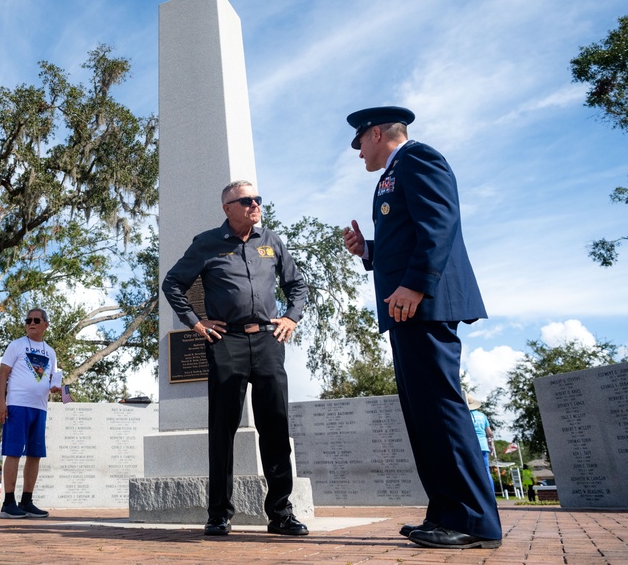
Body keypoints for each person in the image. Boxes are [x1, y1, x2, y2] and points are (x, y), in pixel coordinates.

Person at [341, 107, 502, 550]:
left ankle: (474, 521)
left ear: (376, 134)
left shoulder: (419, 159)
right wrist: (368, 249)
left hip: (423, 305)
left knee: (442, 410)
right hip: (405, 309)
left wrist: (415, 285)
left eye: (360, 145)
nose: (359, 155)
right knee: (424, 415)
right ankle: (447, 512)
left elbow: (439, 223)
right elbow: (409, 235)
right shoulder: (393, 174)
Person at [162, 180, 310, 538]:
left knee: (275, 426)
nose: (254, 205)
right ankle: (218, 514)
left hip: (268, 340)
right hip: (226, 342)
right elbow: (173, 284)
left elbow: (298, 285)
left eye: (257, 199)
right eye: (246, 201)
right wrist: (196, 323)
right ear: (227, 208)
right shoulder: (207, 243)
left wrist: (291, 317)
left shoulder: (271, 241)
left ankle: (280, 513)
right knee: (223, 429)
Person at [0, 308, 61, 519]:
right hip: (17, 405)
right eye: (28, 320)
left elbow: (54, 379)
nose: (31, 323)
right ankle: (8, 502)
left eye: (36, 320)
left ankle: (27, 501)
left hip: (40, 407)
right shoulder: (16, 345)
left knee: (35, 454)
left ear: (45, 325)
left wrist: (60, 390)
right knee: (14, 452)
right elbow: (3, 374)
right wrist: (1, 403)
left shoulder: (50, 352)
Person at [467, 395, 494, 486]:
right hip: (483, 446)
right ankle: (491, 494)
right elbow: (490, 433)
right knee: (486, 471)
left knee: (472, 470)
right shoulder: (482, 416)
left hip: (471, 446)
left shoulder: (465, 415)